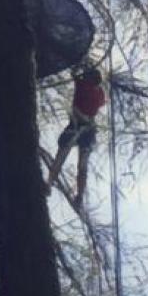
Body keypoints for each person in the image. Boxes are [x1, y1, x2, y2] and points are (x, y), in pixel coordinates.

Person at [45, 66, 106, 204]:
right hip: (83, 126)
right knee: (74, 161)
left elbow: (75, 76)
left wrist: (78, 72)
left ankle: (51, 185)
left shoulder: (84, 85)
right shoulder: (96, 91)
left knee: (66, 158)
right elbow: (99, 103)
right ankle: (75, 195)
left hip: (81, 126)